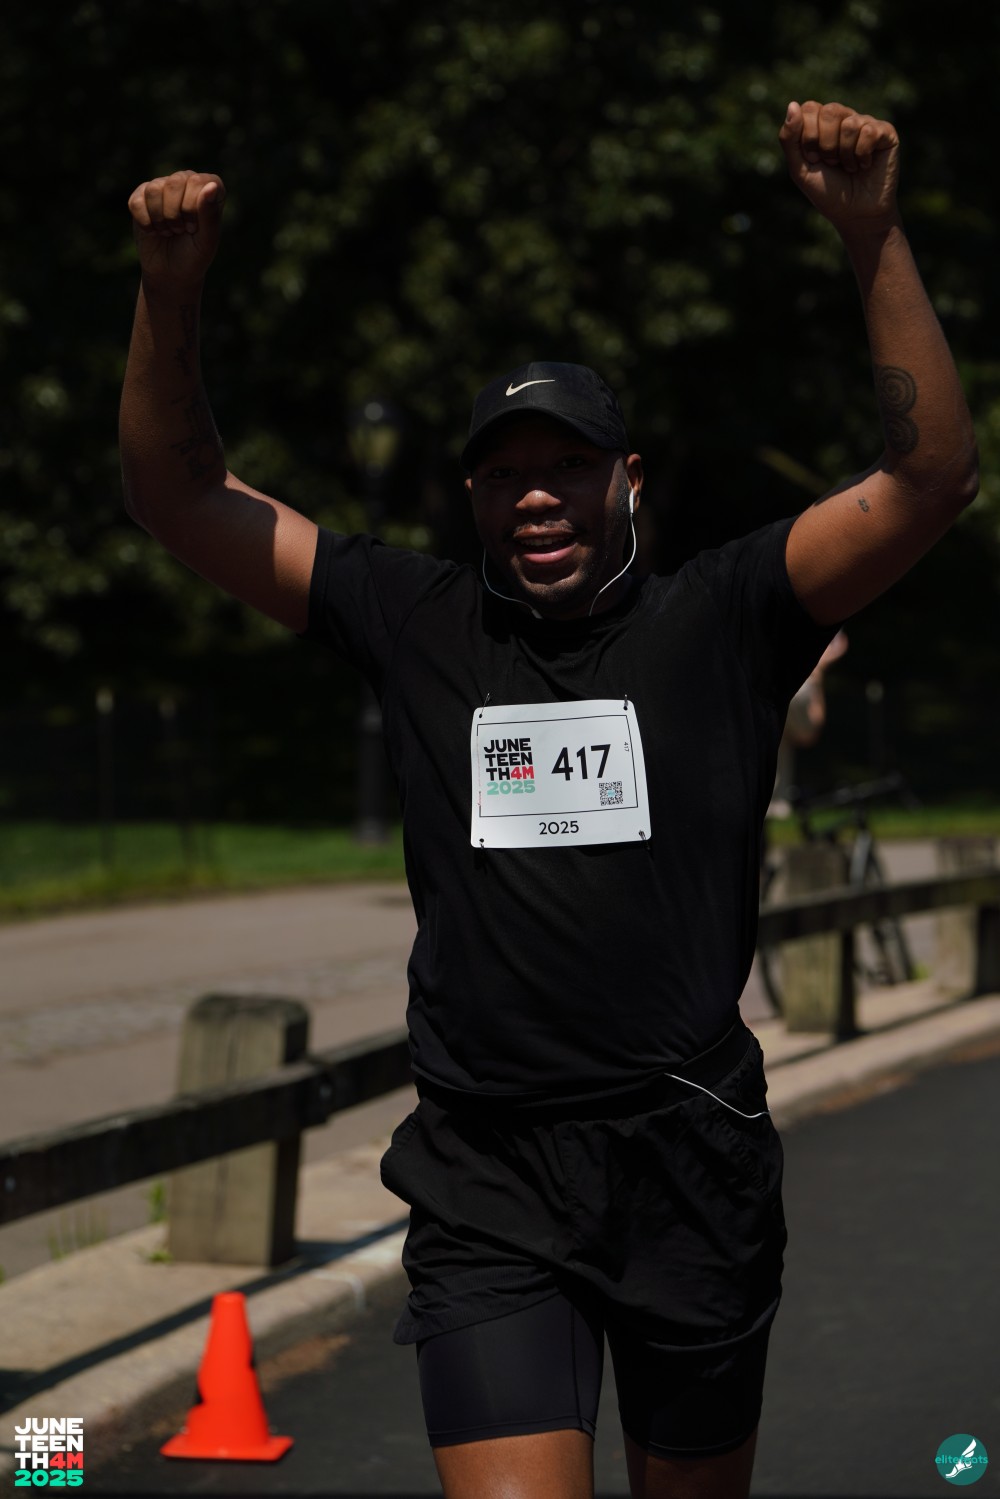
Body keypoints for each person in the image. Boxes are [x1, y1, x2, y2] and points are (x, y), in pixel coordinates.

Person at [121, 100, 977, 1499]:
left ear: (626, 478)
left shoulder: (726, 616)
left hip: (688, 1159)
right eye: (504, 474)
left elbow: (931, 476)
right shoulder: (415, 619)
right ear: (471, 494)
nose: (535, 496)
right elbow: (179, 495)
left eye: (568, 464)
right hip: (490, 1176)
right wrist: (170, 291)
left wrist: (871, 233)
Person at [769, 628, 849, 818]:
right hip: (797, 688)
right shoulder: (802, 688)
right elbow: (810, 731)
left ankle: (772, 807)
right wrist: (819, 670)